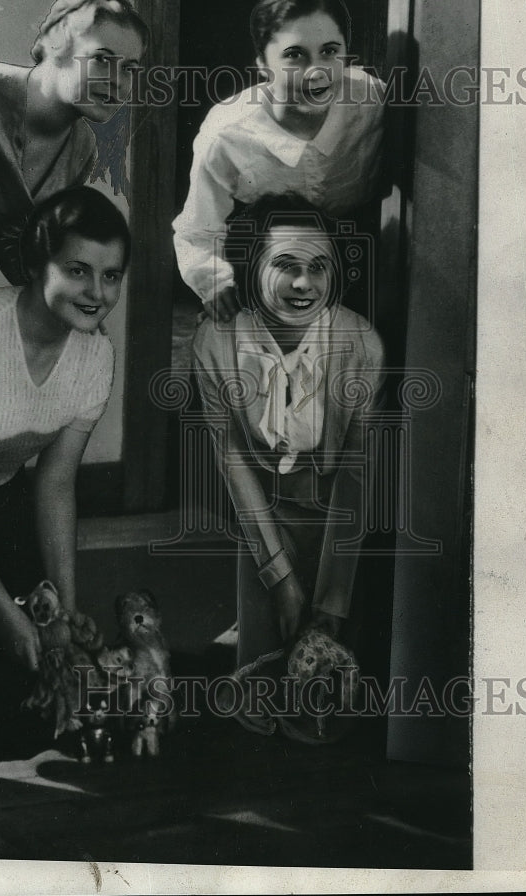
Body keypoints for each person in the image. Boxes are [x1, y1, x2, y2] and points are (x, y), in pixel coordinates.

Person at [192, 193, 385, 737]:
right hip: (260, 513)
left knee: (323, 683)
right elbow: (231, 457)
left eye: (318, 268)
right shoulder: (216, 339)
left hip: (336, 522)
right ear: (252, 268)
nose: (304, 284)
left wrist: (332, 599)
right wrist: (279, 576)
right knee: (258, 701)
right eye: (286, 265)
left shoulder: (361, 344)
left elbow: (356, 473)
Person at [0, 186, 130, 758]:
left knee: (42, 681)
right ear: (38, 264)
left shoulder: (95, 355)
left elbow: (56, 483)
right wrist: (5, 617)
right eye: (79, 270)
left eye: (112, 276)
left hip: (0, 497)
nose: (97, 293)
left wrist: (64, 608)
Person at [174, 0, 385, 322]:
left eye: (330, 51)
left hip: (356, 265)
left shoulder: (372, 101)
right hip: (264, 269)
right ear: (262, 63)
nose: (316, 71)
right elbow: (197, 231)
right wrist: (216, 286)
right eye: (294, 55)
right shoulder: (228, 133)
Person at [0, 0, 148, 284]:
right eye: (102, 60)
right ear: (58, 47)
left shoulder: (82, 147)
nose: (118, 82)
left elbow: (17, 241)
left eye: (130, 69)